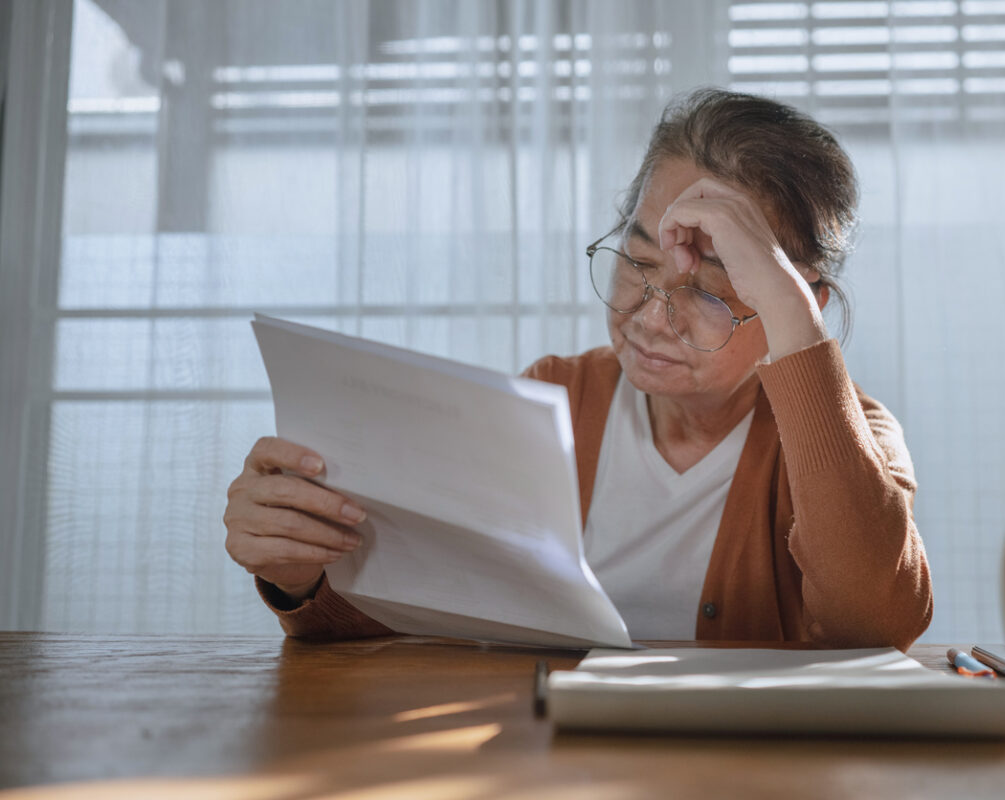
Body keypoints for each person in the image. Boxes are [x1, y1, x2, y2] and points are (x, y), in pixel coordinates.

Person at [223, 88, 933, 649]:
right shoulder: (556, 395)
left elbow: (875, 626)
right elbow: (411, 621)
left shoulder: (853, 435)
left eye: (713, 293)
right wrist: (299, 575)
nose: (652, 316)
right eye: (639, 263)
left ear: (800, 305)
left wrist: (787, 310)